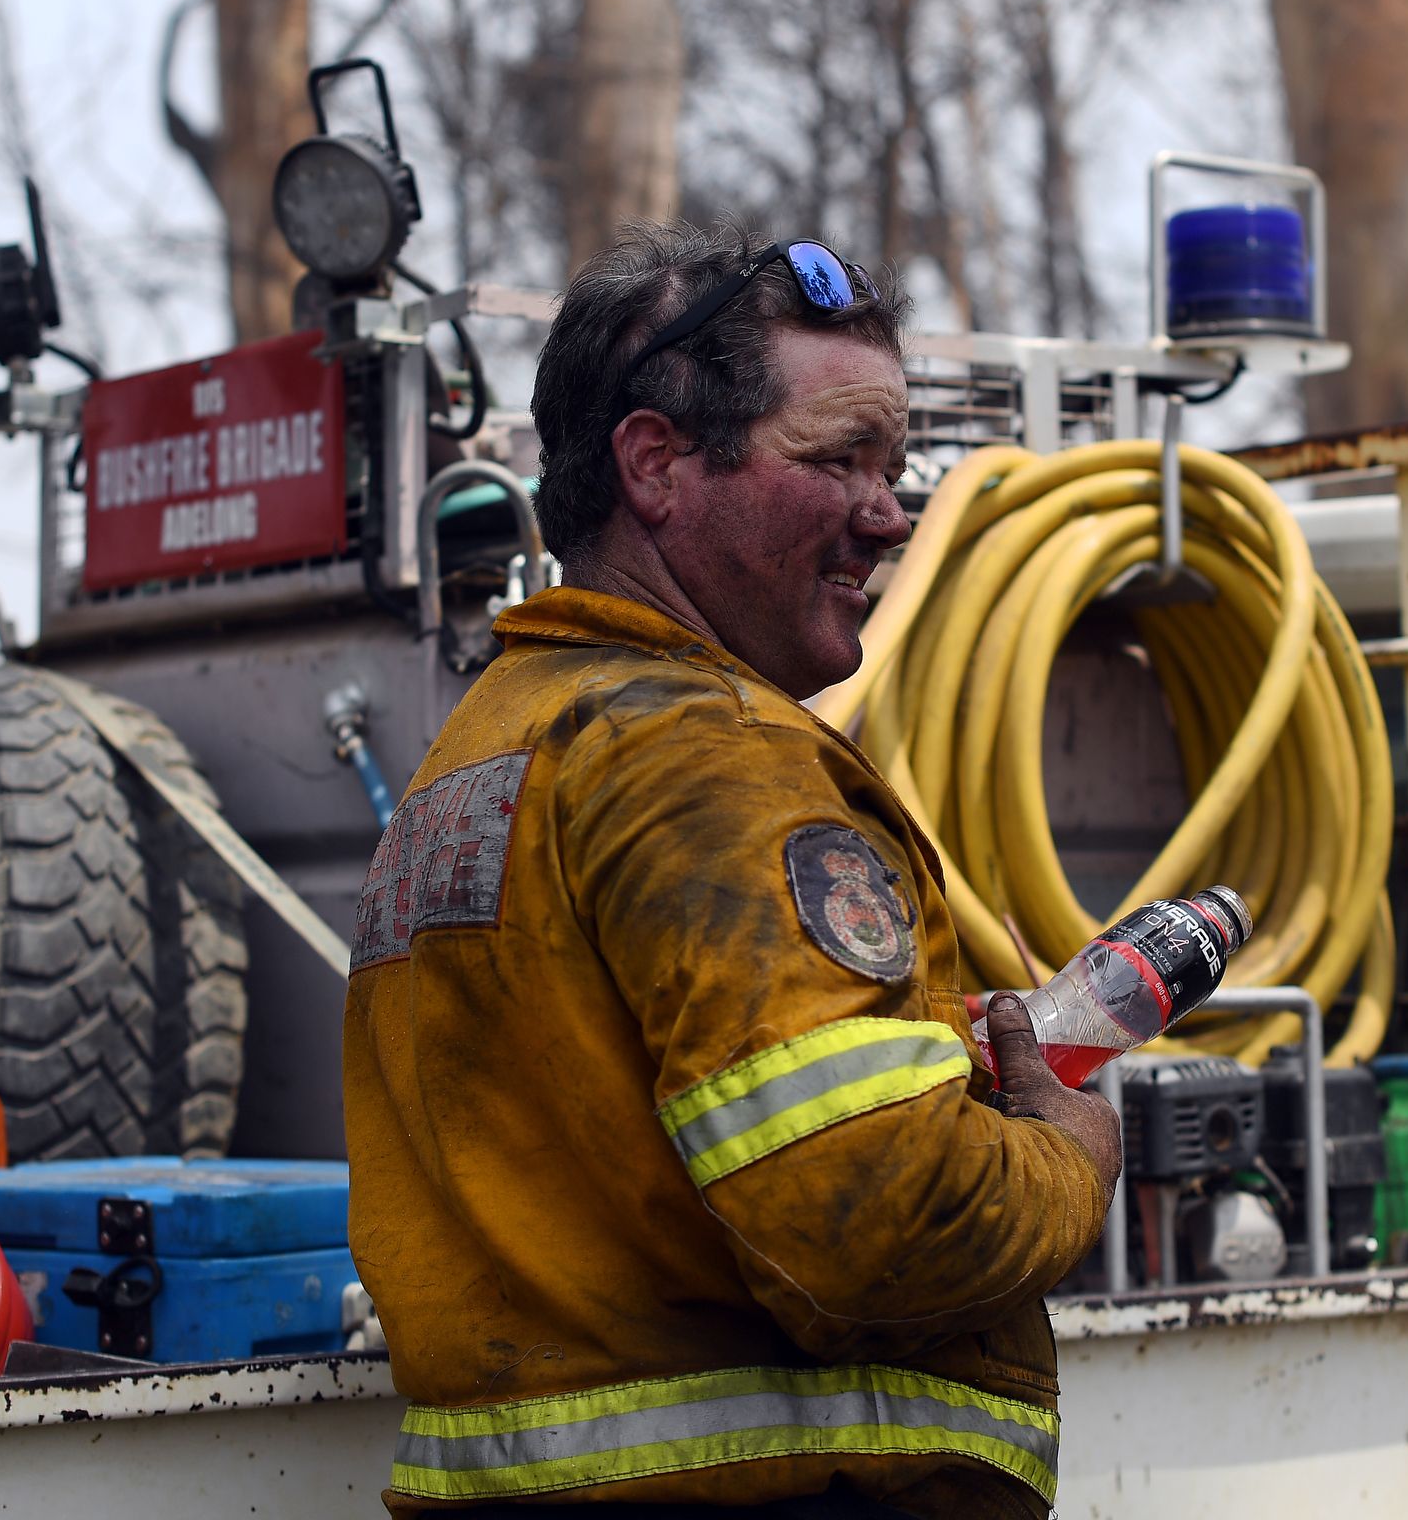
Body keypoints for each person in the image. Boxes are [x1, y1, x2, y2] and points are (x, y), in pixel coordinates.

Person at [341, 223, 1121, 1519]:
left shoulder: (484, 751)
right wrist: (1067, 1152)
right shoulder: (709, 756)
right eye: (837, 460)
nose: (889, 517)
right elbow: (880, 1217)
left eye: (894, 468)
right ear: (655, 463)